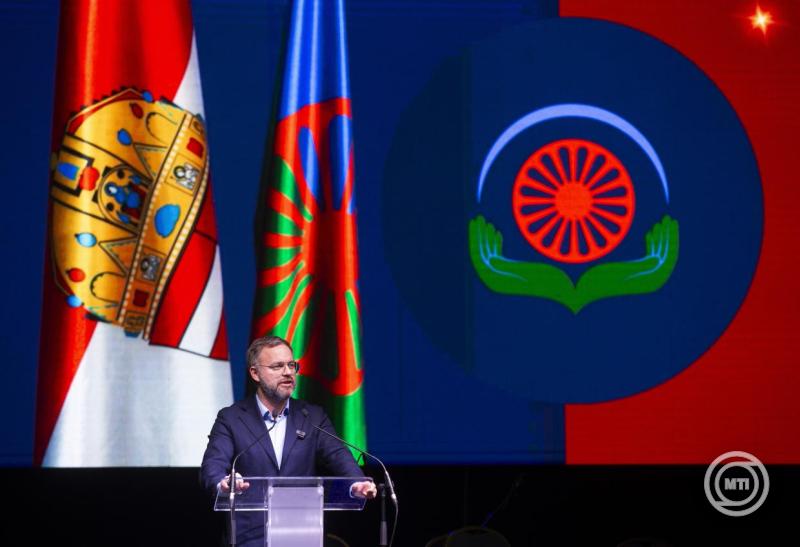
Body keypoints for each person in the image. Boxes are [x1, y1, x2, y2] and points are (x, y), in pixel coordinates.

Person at [200, 335, 377, 546]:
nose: (287, 372)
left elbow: (338, 455)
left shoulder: (312, 417)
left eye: (291, 365)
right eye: (277, 366)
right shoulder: (231, 418)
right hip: (249, 539)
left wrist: (356, 482)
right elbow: (212, 466)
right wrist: (224, 484)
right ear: (255, 373)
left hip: (302, 535)